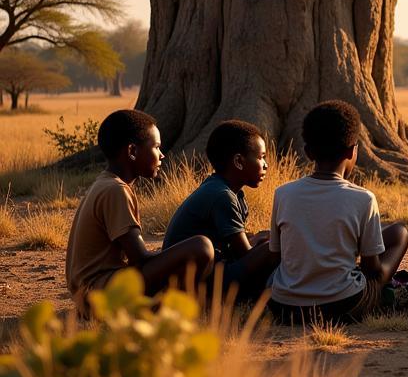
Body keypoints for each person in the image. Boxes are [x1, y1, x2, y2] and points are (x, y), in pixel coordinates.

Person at [267, 100, 408, 325]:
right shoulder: (363, 198)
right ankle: (388, 294)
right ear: (352, 151)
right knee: (400, 233)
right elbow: (371, 268)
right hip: (342, 305)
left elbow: (276, 256)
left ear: (307, 152)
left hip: (285, 308)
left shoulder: (283, 193)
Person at [65, 109, 215, 318]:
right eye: (156, 147)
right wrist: (176, 255)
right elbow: (140, 259)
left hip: (91, 294)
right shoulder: (116, 190)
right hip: (101, 296)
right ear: (132, 151)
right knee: (201, 246)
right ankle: (168, 309)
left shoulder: (105, 183)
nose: (162, 155)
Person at [163, 119, 280, 303]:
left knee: (268, 239)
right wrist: (267, 241)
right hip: (205, 283)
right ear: (239, 162)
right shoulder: (222, 195)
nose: (266, 165)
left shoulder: (225, 189)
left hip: (211, 271)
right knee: (275, 247)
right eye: (261, 157)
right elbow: (244, 254)